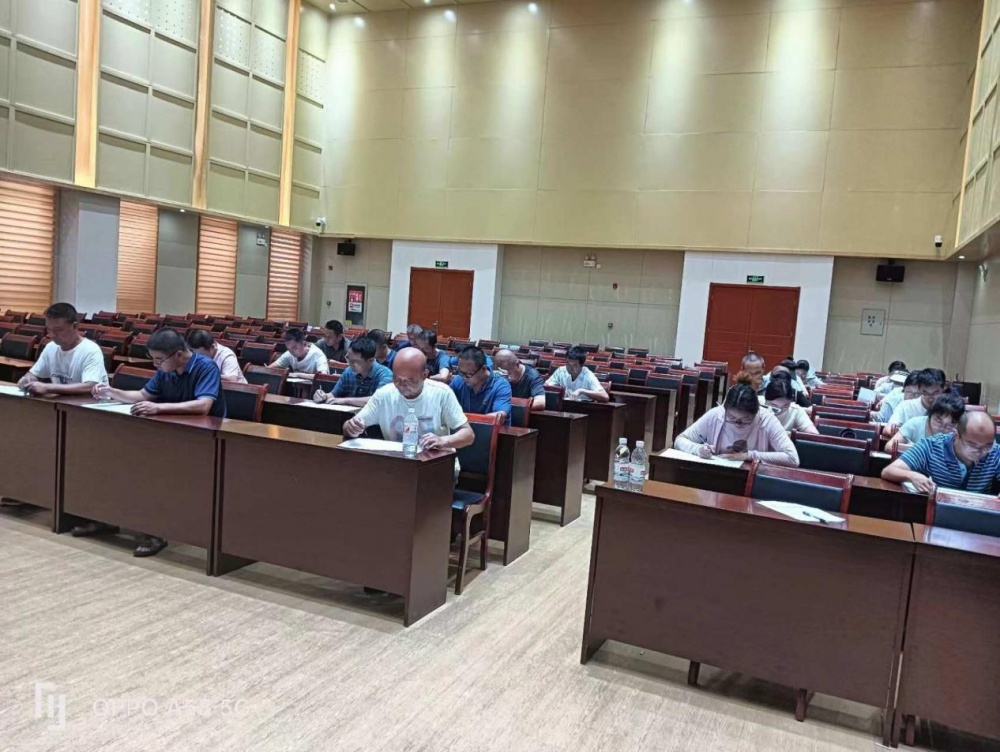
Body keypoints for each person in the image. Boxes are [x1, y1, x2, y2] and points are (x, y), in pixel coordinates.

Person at [78, 328, 226, 558]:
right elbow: (144, 395)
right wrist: (112, 392)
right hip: (170, 435)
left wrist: (158, 408)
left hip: (203, 440)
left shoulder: (205, 367)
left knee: (148, 471)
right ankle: (106, 518)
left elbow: (203, 405)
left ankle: (154, 532)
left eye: (159, 359)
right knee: (111, 459)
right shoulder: (167, 369)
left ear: (178, 354)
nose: (156, 364)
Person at [342, 347, 474, 452]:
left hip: (434, 463)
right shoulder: (384, 395)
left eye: (410, 380)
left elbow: (468, 435)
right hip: (397, 463)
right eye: (397, 379)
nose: (402, 385)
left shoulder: (442, 393)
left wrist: (443, 441)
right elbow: (350, 426)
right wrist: (351, 427)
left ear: (424, 375)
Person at [675, 376, 799, 466]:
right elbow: (680, 440)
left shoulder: (767, 420)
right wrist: (698, 449)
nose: (737, 424)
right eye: (732, 418)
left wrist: (748, 455)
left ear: (756, 412)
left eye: (745, 420)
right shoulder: (716, 415)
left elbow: (792, 458)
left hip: (751, 477)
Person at [882, 411, 1000, 494]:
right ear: (956, 435)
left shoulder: (995, 451)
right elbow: (888, 471)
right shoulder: (931, 446)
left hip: (978, 513)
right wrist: (912, 476)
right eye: (972, 445)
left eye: (987, 446)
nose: (980, 452)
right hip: (936, 510)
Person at [17, 302, 107, 397]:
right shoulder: (51, 347)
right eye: (49, 329)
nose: (52, 335)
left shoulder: (91, 350)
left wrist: (48, 388)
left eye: (58, 330)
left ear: (75, 326)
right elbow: (33, 374)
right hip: (62, 401)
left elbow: (90, 386)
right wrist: (27, 380)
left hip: (91, 403)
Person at [313, 336, 391, 407]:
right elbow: (333, 394)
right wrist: (324, 396)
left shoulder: (385, 374)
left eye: (356, 361)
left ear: (370, 360)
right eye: (348, 358)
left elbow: (379, 400)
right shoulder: (349, 372)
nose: (350, 364)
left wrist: (345, 401)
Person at [449, 345, 512, 423]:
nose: (464, 378)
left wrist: (468, 420)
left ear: (483, 368)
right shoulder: (458, 380)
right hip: (463, 427)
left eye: (469, 374)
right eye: (461, 372)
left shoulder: (501, 385)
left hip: (489, 429)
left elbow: (500, 415)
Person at [886, 392, 965, 453]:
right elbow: (889, 447)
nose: (942, 428)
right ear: (930, 415)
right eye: (938, 421)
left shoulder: (958, 434)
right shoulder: (915, 424)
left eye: (950, 425)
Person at [884, 369, 945, 433]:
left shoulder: (948, 410)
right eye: (925, 393)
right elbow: (888, 429)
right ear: (919, 389)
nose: (930, 398)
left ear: (943, 390)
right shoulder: (905, 406)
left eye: (935, 393)